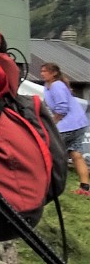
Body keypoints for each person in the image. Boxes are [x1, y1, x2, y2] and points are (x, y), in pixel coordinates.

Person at [42, 63, 90, 197]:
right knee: (76, 155)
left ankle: (48, 186)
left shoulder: (57, 85)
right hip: (80, 123)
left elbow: (62, 108)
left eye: (45, 71)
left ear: (54, 74)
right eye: (42, 71)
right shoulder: (49, 87)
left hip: (68, 125)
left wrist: (53, 123)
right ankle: (85, 188)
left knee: (50, 153)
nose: (42, 73)